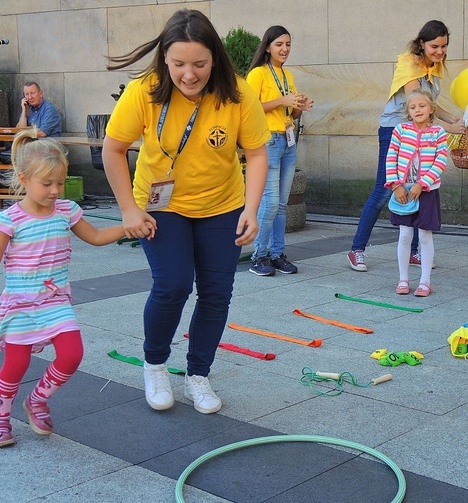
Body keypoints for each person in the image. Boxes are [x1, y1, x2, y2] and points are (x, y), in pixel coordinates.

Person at [102, 9, 269, 415]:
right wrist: (128, 209)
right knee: (173, 285)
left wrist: (252, 208)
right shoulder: (145, 90)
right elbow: (113, 149)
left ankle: (198, 375)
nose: (189, 74)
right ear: (165, 59)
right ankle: (155, 365)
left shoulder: (238, 93)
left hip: (222, 204)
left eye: (199, 64)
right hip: (162, 206)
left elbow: (257, 152)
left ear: (215, 59)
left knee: (216, 293)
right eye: (178, 64)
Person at [0, 129, 126, 448]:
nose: (56, 190)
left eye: (60, 182)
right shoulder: (11, 220)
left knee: (72, 354)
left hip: (56, 303)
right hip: (20, 305)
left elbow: (96, 237)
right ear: (23, 179)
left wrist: (128, 227)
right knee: (15, 366)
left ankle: (37, 400)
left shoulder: (67, 211)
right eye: (47, 184)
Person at [347, 20, 464, 272]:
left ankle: (412, 252)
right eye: (435, 46)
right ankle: (357, 249)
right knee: (384, 190)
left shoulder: (433, 68)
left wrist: (454, 119)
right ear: (422, 43)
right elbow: (417, 101)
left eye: (444, 46)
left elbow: (430, 104)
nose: (440, 51)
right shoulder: (409, 62)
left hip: (420, 132)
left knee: (416, 188)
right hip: (396, 130)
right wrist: (449, 125)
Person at [246, 25, 313, 276]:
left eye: (288, 44)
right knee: (271, 202)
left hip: (287, 141)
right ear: (267, 47)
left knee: (282, 204)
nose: (284, 49)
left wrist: (299, 107)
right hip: (268, 142)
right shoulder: (258, 74)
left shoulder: (286, 75)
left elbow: (290, 114)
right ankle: (258, 255)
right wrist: (282, 101)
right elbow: (250, 108)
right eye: (279, 44)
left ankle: (276, 254)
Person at [385, 88, 448, 297]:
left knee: (425, 236)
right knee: (404, 235)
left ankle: (424, 281)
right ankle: (403, 279)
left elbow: (440, 160)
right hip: (403, 190)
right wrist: (395, 185)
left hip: (426, 192)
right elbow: (391, 157)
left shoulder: (438, 133)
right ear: (407, 111)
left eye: (422, 106)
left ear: (431, 109)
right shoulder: (400, 131)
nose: (417, 110)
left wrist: (423, 183)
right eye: (413, 107)